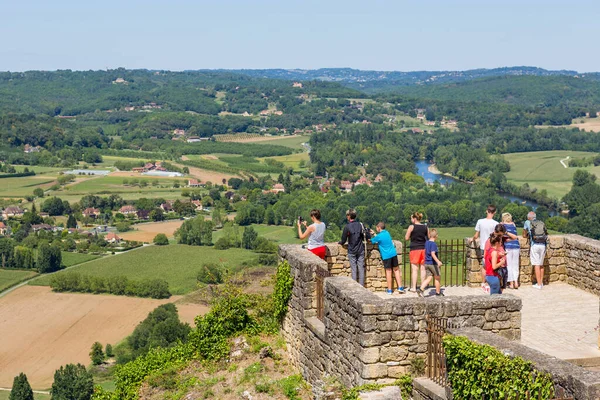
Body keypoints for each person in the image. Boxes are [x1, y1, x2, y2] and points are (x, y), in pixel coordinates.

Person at [370, 222, 405, 295]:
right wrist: (374, 234)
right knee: (396, 269)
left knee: (388, 271)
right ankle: (400, 287)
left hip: (386, 255)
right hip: (393, 253)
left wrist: (371, 236)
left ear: (379, 227)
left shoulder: (379, 236)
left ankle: (389, 290)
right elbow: (381, 238)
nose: (376, 229)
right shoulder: (387, 233)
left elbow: (372, 241)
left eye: (377, 228)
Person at [339, 209, 368, 286]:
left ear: (349, 216)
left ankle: (355, 286)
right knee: (361, 269)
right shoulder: (360, 225)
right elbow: (367, 236)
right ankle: (361, 287)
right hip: (360, 249)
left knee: (354, 269)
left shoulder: (347, 227)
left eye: (347, 215)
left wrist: (340, 243)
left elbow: (343, 240)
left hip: (352, 250)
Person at [473, 205, 499, 293]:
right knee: (491, 266)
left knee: (485, 266)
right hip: (492, 247)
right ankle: (488, 284)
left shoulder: (480, 221)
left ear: (486, 211)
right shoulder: (496, 223)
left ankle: (483, 283)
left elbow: (476, 235)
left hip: (483, 246)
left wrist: (472, 239)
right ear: (494, 212)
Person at [523, 211, 548, 289]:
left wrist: (527, 235)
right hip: (543, 244)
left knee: (536, 265)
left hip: (535, 244)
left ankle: (539, 284)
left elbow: (524, 234)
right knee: (541, 265)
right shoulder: (541, 222)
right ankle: (541, 282)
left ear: (529, 217)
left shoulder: (528, 222)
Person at [405, 212, 428, 292]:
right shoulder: (425, 227)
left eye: (411, 218)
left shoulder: (411, 227)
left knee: (415, 270)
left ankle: (414, 287)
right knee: (423, 269)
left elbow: (406, 238)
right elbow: (427, 237)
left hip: (414, 249)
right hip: (423, 249)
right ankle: (422, 287)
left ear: (414, 219)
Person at [418, 228, 443, 297]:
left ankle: (421, 289)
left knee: (429, 278)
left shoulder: (426, 243)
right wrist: (438, 261)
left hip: (426, 263)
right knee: (437, 277)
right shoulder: (433, 244)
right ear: (436, 236)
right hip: (433, 263)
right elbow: (433, 253)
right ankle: (438, 292)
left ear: (429, 235)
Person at [502, 212, 520, 289]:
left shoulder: (502, 225)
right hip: (516, 245)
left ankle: (511, 283)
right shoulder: (513, 224)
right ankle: (516, 282)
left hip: (508, 246)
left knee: (509, 265)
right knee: (515, 265)